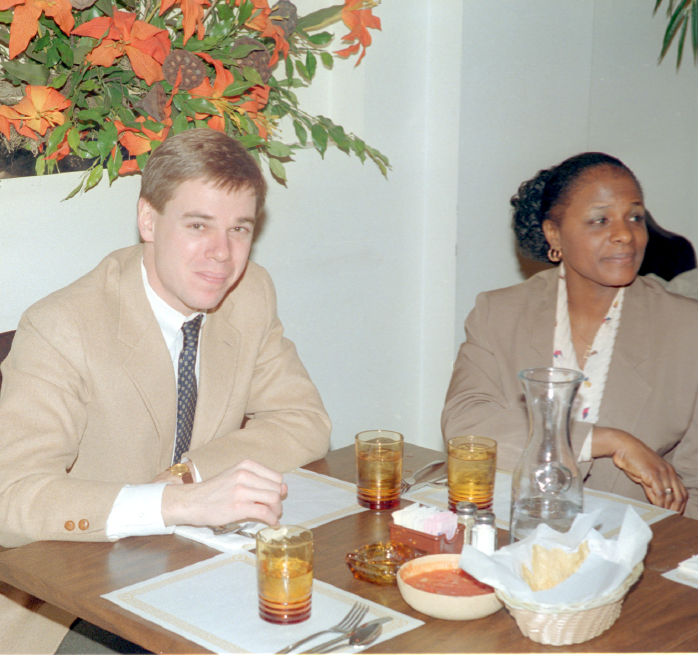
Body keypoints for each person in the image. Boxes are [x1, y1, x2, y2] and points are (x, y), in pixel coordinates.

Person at [0, 128, 331, 653]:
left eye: (239, 229)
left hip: (194, 568)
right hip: (74, 604)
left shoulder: (249, 294)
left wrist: (190, 474)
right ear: (148, 220)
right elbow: (11, 498)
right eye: (198, 225)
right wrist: (173, 503)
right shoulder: (63, 326)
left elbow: (303, 420)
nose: (222, 254)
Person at [442, 152, 698, 519]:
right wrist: (606, 440)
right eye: (600, 220)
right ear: (554, 234)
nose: (625, 234)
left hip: (639, 540)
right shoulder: (498, 312)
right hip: (511, 528)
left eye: (635, 217)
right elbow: (466, 425)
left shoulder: (687, 329)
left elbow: (694, 488)